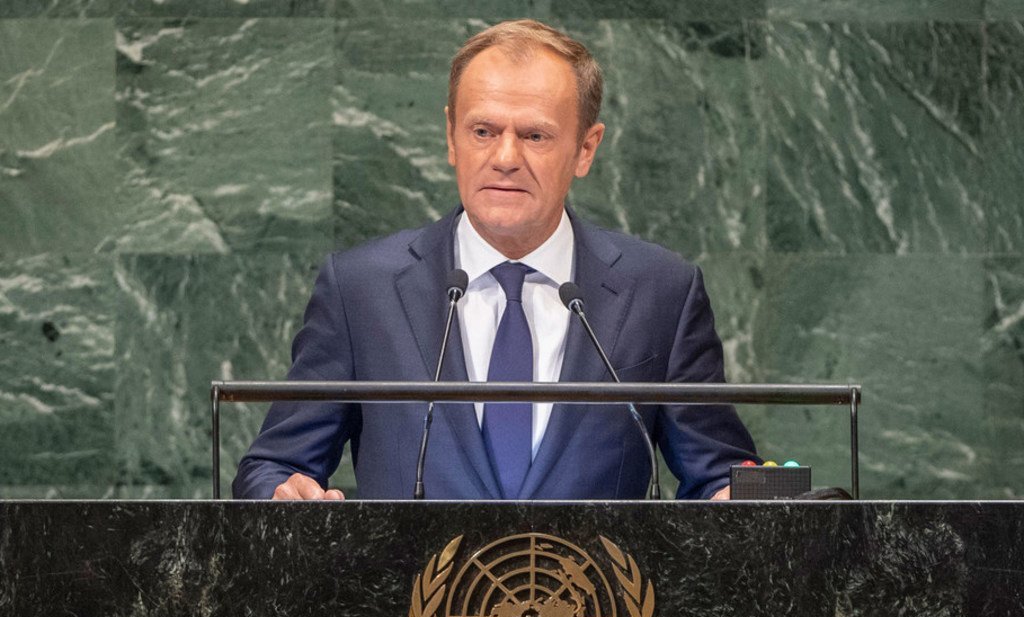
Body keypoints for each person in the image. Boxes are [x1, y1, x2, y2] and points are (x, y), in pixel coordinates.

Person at [233, 19, 757, 502]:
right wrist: (286, 495)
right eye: (483, 131)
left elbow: (717, 472)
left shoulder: (661, 290)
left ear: (585, 149)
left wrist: (734, 501)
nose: (505, 158)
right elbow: (274, 466)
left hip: (597, 605)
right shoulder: (361, 289)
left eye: (535, 135)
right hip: (408, 602)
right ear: (451, 137)